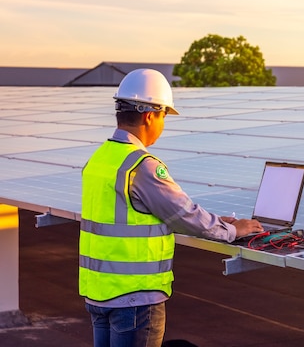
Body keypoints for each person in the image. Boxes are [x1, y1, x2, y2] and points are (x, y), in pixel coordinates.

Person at [78, 68, 263, 347]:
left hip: (99, 293)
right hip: (135, 300)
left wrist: (217, 220)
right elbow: (185, 215)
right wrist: (232, 230)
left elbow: (131, 217)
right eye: (164, 116)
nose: (163, 125)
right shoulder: (141, 166)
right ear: (150, 114)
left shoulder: (100, 160)